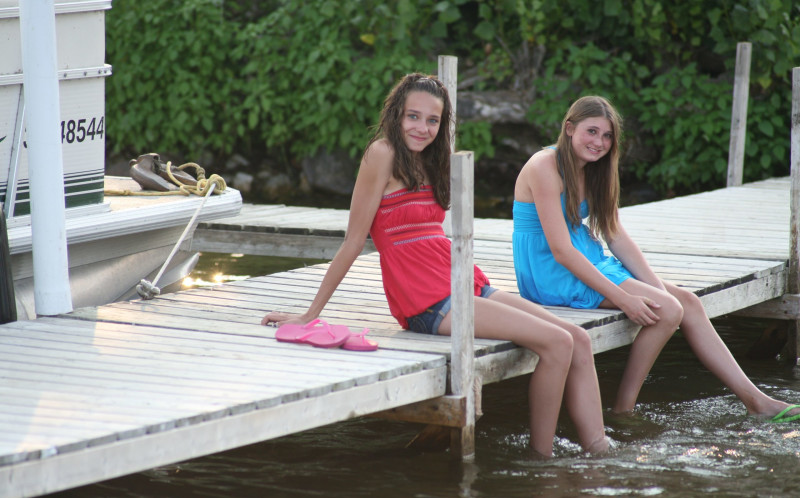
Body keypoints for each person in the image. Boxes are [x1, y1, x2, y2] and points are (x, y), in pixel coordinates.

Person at [262, 73, 611, 457]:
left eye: (433, 120)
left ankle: (600, 450)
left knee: (578, 339)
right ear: (396, 115)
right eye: (413, 117)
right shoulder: (381, 154)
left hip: (461, 281)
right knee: (558, 342)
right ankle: (541, 459)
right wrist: (310, 314)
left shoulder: (433, 158)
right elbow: (352, 241)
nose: (422, 128)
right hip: (425, 300)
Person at [512, 95, 800, 423]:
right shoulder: (544, 166)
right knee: (668, 311)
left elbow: (614, 234)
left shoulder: (595, 170)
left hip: (588, 258)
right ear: (568, 128)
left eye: (607, 136)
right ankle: (623, 408)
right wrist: (625, 298)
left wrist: (652, 285)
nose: (599, 143)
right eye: (591, 132)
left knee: (686, 302)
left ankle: (756, 400)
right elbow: (561, 251)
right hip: (551, 269)